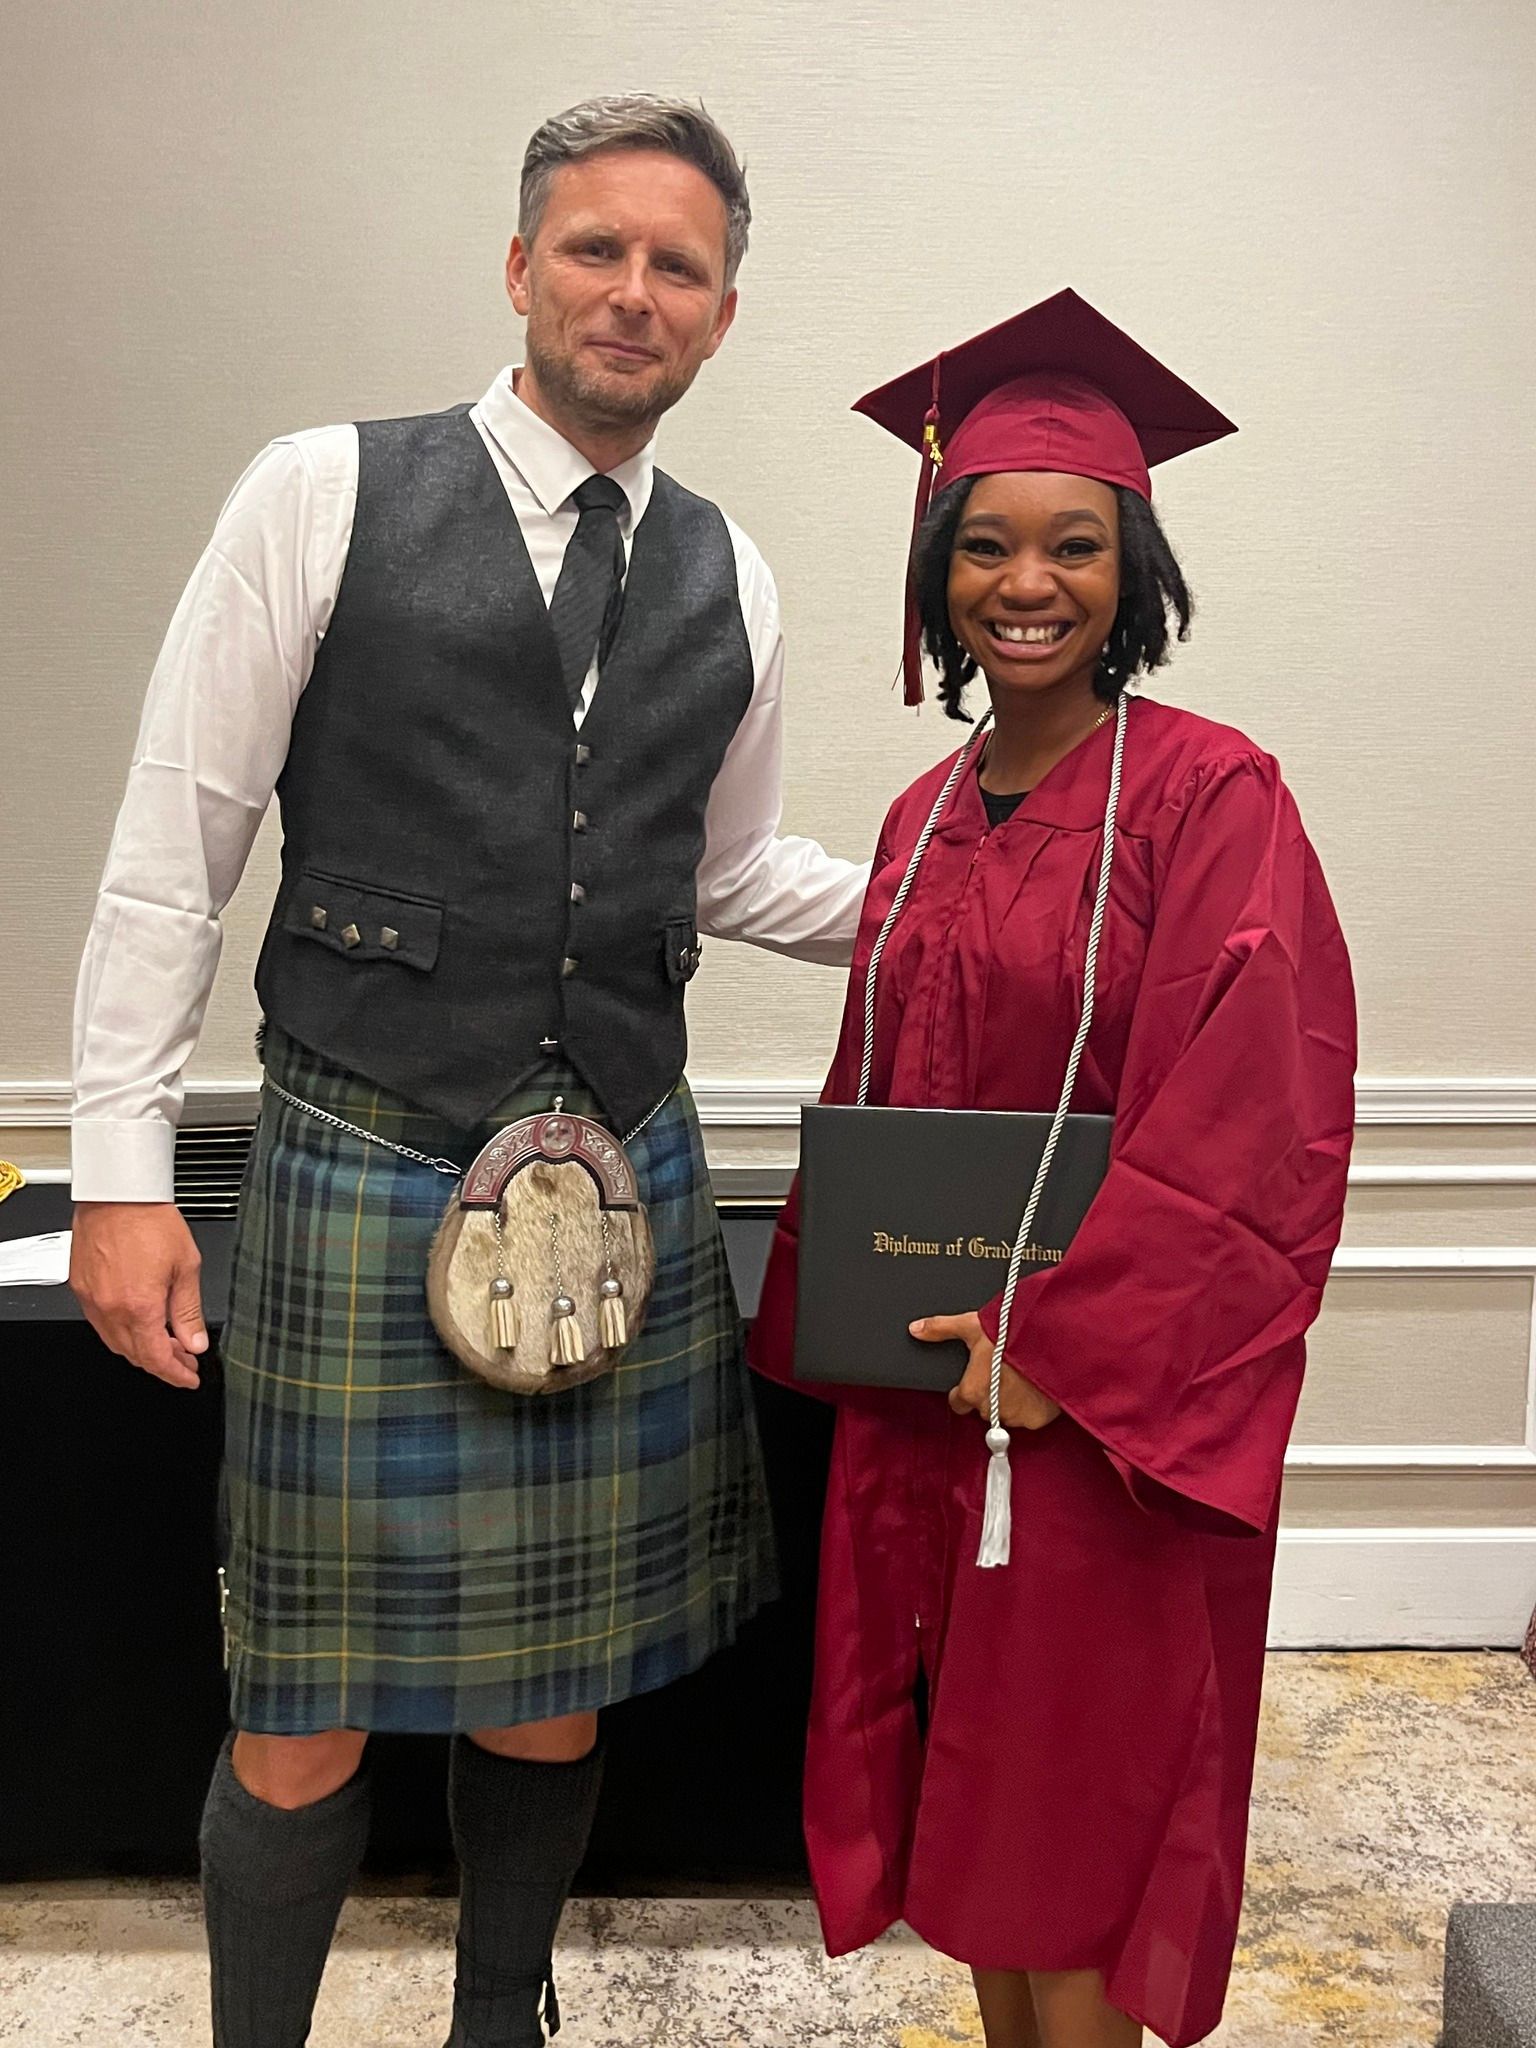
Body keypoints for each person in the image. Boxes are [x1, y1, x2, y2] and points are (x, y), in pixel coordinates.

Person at [68, 94, 867, 2048]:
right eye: (594, 248)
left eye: (677, 265)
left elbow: (727, 865)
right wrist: (116, 1168)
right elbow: (180, 841)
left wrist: (984, 876)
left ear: (723, 314)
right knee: (298, 1698)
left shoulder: (734, 579)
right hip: (369, 1149)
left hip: (617, 1177)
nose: (632, 290)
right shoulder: (319, 491)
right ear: (520, 271)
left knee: (557, 1670)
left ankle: (500, 2017)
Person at [749, 290, 1357, 2048]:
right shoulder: (922, 818)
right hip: (936, 1401)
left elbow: (1259, 1120)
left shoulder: (1209, 793)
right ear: (938, 572)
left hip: (1092, 1420)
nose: (1029, 583)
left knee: (1078, 1848)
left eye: (1075, 545)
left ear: (1134, 571)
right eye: (989, 545)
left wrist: (1065, 1354)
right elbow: (880, 1094)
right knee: (983, 1842)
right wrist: (864, 1334)